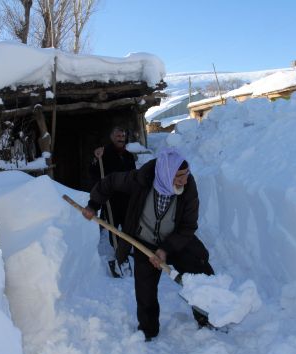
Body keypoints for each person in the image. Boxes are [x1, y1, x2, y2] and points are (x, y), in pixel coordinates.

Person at [82, 147, 214, 340]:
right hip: (145, 241)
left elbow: (188, 225)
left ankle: (207, 318)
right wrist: (94, 204)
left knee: (200, 275)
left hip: (176, 241)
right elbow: (110, 182)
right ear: (165, 173)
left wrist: (166, 249)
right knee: (145, 291)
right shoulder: (141, 179)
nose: (184, 181)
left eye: (186, 175)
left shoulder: (188, 187)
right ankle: (148, 331)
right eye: (179, 177)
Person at [89, 126, 136, 277]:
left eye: (123, 135)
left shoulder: (128, 156)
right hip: (111, 198)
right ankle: (119, 257)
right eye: (118, 136)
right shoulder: (104, 153)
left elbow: (133, 176)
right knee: (113, 228)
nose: (121, 138)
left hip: (127, 197)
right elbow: (94, 172)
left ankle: (127, 251)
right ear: (112, 137)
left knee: (129, 226)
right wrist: (96, 159)